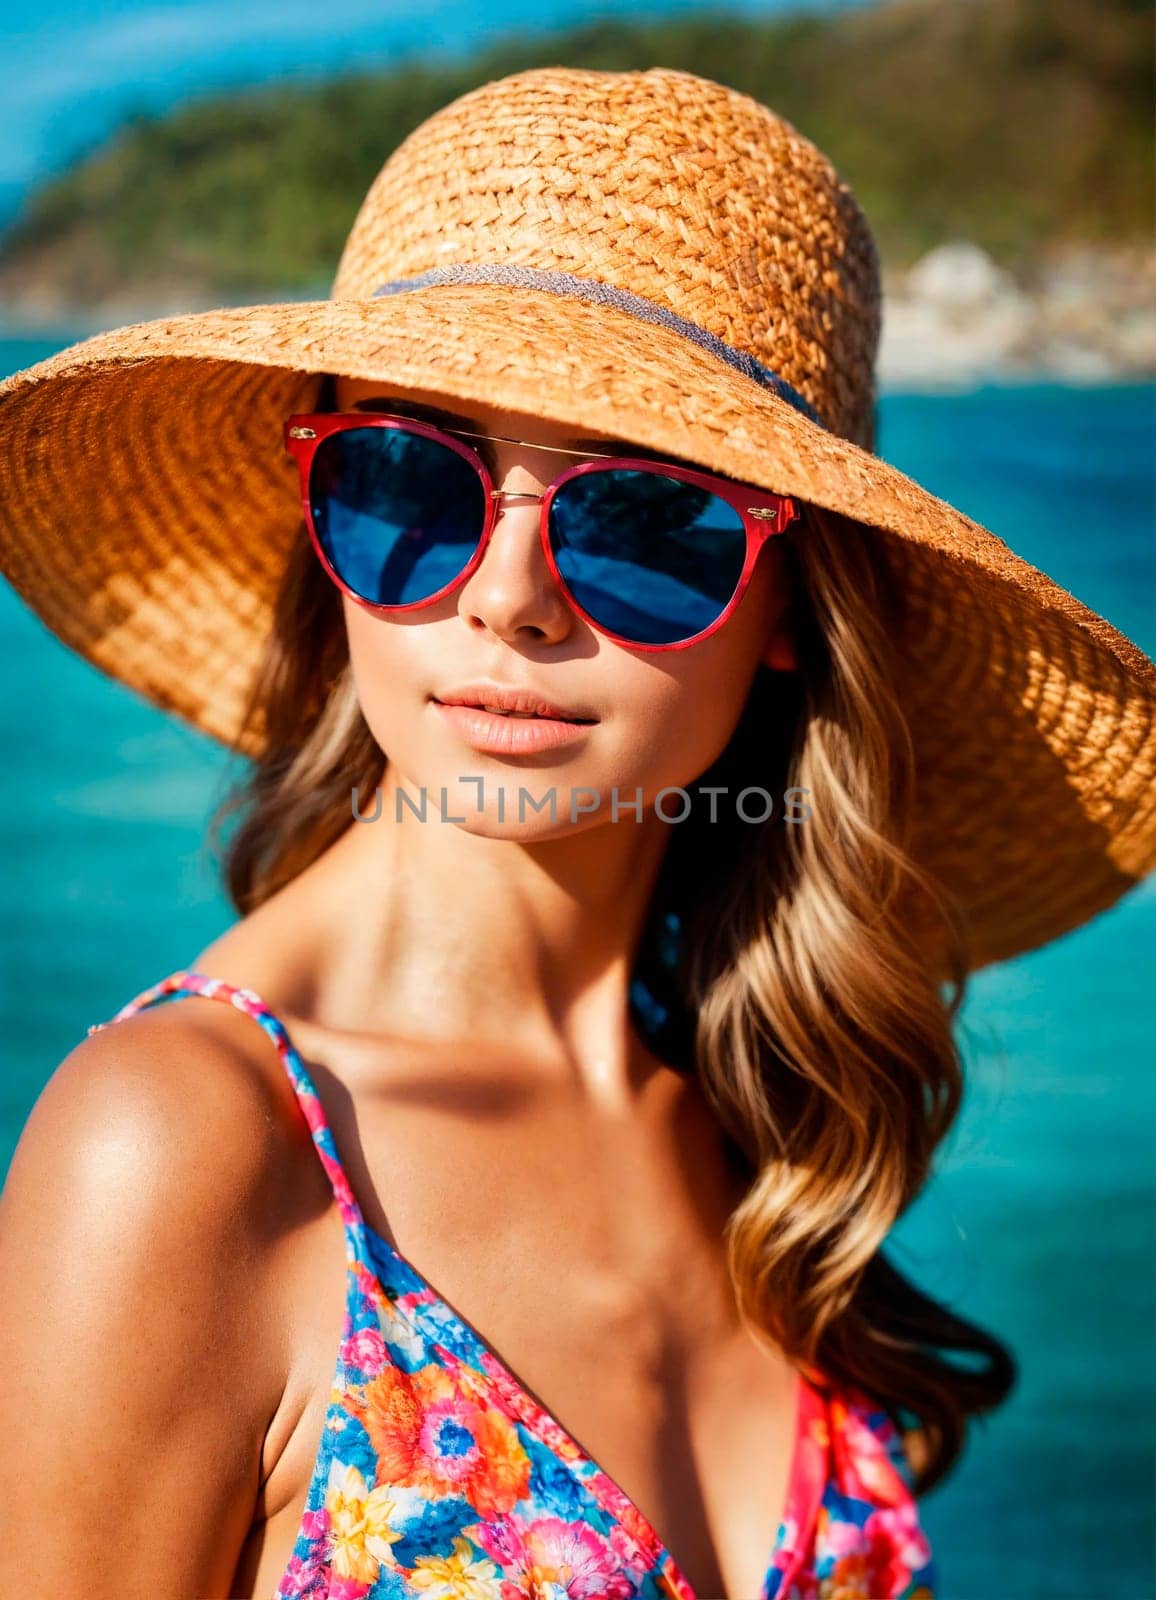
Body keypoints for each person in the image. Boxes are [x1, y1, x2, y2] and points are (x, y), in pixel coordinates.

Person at [0, 64, 1152, 1600]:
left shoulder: (757, 1127)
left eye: (646, 522)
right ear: (317, 518)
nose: (506, 596)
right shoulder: (182, 1153)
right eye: (408, 482)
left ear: (797, 604)